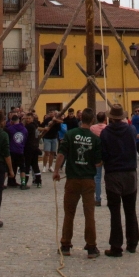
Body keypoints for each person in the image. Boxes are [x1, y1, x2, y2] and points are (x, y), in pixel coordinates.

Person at [53, 106, 102, 258]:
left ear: (81, 119)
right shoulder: (95, 139)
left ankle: (66, 245)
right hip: (88, 180)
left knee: (69, 213)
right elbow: (98, 163)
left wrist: (56, 171)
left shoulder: (70, 134)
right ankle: (92, 248)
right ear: (92, 120)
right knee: (89, 214)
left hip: (72, 179)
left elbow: (61, 154)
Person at [99, 104, 139, 257]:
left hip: (113, 173)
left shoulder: (106, 133)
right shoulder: (131, 130)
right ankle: (133, 242)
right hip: (130, 173)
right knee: (130, 210)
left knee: (115, 212)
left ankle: (116, 246)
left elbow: (104, 154)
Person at [5, 111, 28, 187]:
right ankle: (23, 183)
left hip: (12, 150)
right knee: (22, 167)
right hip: (20, 150)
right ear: (19, 120)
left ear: (12, 121)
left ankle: (4, 182)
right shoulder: (24, 130)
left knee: (10, 167)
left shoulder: (10, 129)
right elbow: (25, 140)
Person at [90, 111, 107, 206]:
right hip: (107, 154)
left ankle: (98, 198)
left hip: (96, 154)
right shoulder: (107, 128)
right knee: (108, 177)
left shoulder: (92, 128)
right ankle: (109, 197)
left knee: (97, 178)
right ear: (105, 119)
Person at [23, 111, 42, 189]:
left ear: (32, 119)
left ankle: (25, 182)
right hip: (35, 148)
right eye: (26, 118)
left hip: (29, 148)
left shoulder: (29, 127)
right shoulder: (35, 126)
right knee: (35, 165)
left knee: (27, 166)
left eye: (29, 118)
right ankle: (38, 181)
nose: (27, 120)